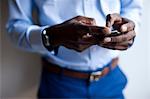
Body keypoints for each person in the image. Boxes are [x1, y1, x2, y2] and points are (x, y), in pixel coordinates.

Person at [6, 0, 142, 98]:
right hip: (59, 86)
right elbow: (15, 28)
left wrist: (128, 30)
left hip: (111, 80)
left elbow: (132, 7)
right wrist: (53, 35)